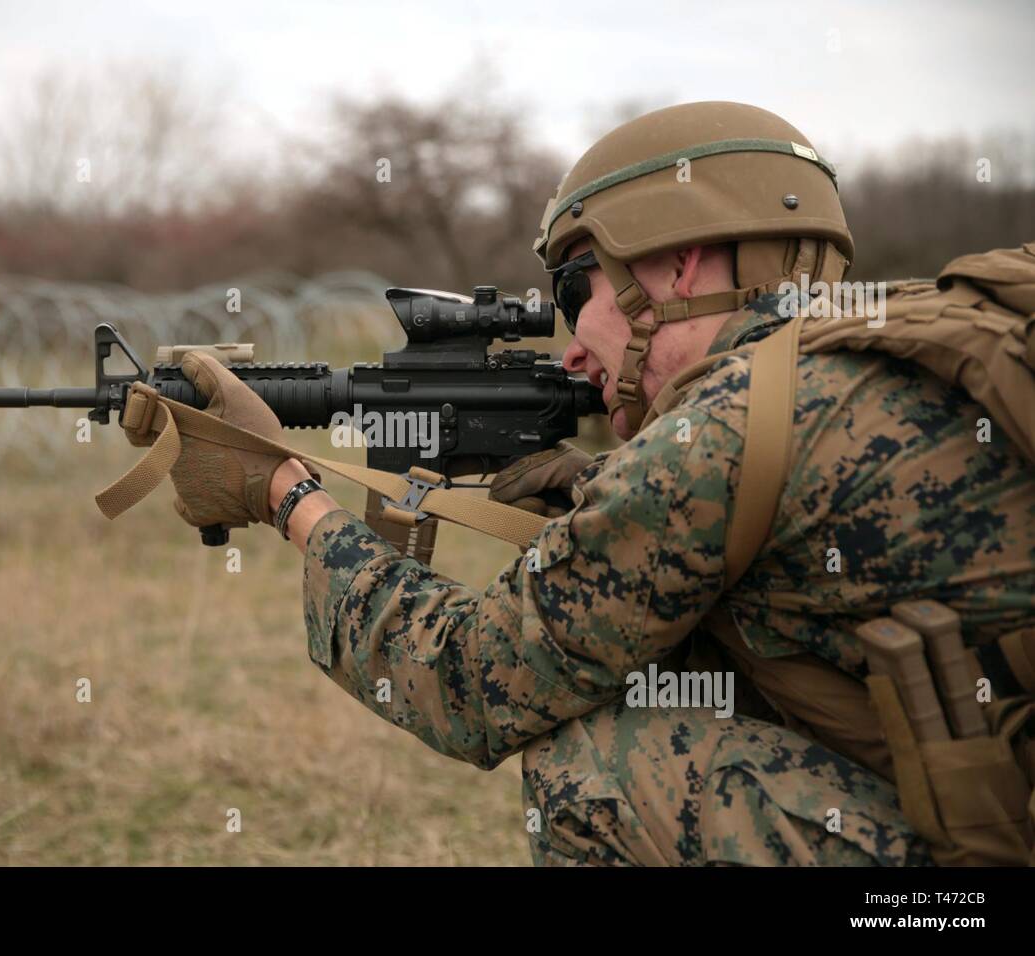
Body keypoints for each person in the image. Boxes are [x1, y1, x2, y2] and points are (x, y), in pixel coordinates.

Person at [145, 102, 1035, 865]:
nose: (570, 343)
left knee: (595, 763)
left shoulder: (716, 434)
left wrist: (286, 497)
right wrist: (599, 488)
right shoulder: (892, 352)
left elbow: (471, 683)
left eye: (577, 290)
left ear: (674, 265)